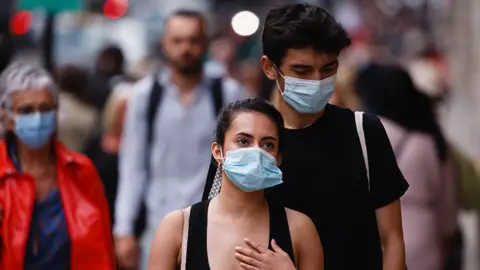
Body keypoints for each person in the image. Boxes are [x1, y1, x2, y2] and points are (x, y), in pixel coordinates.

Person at [203, 3, 409, 270]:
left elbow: (391, 240)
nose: (316, 80)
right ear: (269, 68)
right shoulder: (245, 141)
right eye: (302, 71)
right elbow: (211, 229)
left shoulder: (363, 133)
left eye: (328, 69)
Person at [114, 9, 246, 270]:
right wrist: (124, 230)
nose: (186, 48)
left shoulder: (227, 92)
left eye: (193, 40)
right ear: (165, 44)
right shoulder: (144, 96)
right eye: (178, 40)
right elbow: (132, 167)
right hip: (157, 225)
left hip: (214, 226)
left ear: (205, 44)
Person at [149, 98, 323, 270]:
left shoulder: (300, 229)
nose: (256, 151)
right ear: (218, 152)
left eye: (267, 144)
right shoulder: (178, 227)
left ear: (278, 159)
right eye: (243, 141)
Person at [0, 62, 115, 269]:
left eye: (45, 108)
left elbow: (102, 249)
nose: (37, 118)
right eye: (26, 110)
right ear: (7, 118)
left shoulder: (81, 170)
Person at [356, 63, 458, 270]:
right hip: (424, 234)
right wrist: (447, 235)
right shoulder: (429, 142)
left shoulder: (364, 133)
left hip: (374, 235)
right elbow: (447, 200)